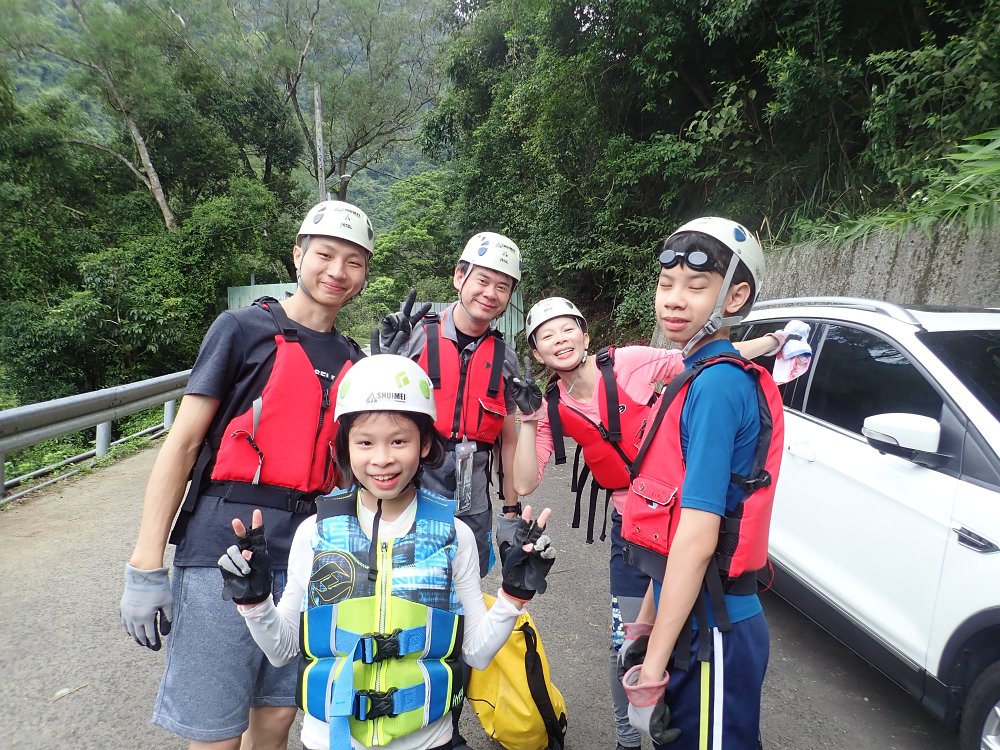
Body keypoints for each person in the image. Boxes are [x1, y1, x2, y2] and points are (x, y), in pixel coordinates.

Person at [119, 200, 373, 749]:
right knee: (215, 731)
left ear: (364, 274)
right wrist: (146, 563)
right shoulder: (241, 329)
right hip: (223, 548)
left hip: (308, 556)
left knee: (277, 717)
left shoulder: (355, 359)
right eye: (325, 255)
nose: (337, 271)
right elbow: (183, 444)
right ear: (298, 255)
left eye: (353, 261)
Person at [216, 354, 557, 750]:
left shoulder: (455, 535)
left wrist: (513, 597)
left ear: (424, 443)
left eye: (399, 441)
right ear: (345, 445)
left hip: (429, 741)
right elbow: (282, 651)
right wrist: (255, 602)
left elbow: (477, 655)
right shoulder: (315, 533)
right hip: (330, 740)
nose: (382, 459)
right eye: (365, 442)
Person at [510, 297, 803, 750]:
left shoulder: (628, 363)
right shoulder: (549, 406)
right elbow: (524, 482)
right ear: (537, 352)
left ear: (586, 336)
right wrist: (528, 421)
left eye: (567, 329)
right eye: (546, 336)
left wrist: (772, 341)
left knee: (688, 638)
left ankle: (698, 720)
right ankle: (628, 739)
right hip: (633, 533)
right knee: (627, 640)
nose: (559, 340)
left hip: (682, 522)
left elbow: (702, 363)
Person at [616, 217, 787, 749]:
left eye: (695, 286)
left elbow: (695, 539)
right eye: (666, 284)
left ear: (734, 297)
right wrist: (646, 627)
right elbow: (668, 537)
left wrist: (652, 670)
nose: (674, 298)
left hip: (713, 630)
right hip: (689, 620)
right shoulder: (694, 374)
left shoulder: (715, 386)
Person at [373, 232, 525, 578]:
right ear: (459, 277)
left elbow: (508, 441)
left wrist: (511, 512)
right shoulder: (413, 336)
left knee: (467, 581)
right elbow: (372, 417)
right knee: (404, 580)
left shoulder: (505, 359)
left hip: (473, 497)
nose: (490, 293)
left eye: (502, 287)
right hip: (411, 487)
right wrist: (386, 357)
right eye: (482, 280)